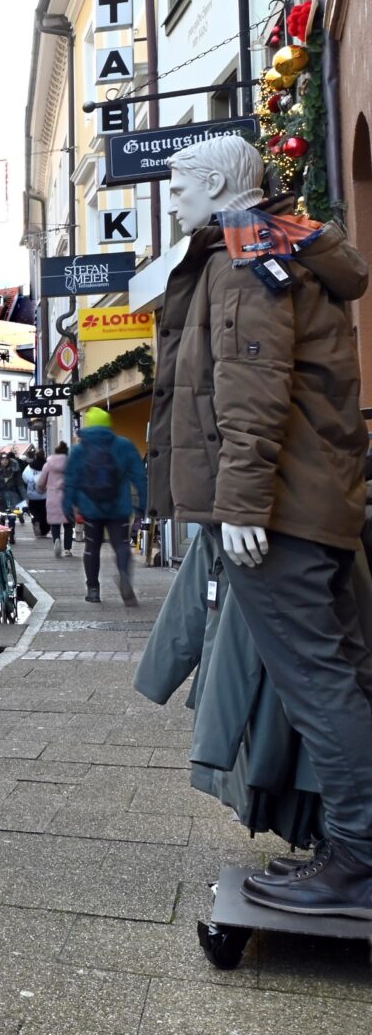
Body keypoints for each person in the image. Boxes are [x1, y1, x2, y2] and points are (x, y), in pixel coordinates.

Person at [148, 133, 372, 917]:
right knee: (341, 674)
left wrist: (242, 506)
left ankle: (359, 858)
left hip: (279, 513)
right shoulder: (283, 246)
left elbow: (248, 390)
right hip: (314, 502)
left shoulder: (245, 258)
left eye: (179, 187)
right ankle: (353, 843)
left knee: (320, 684)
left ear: (215, 185)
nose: (172, 202)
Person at [63, 408, 148, 605]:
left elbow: (70, 481)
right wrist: (143, 503)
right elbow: (139, 477)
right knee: (121, 544)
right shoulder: (124, 445)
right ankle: (125, 576)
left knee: (92, 546)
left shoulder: (79, 450)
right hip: (119, 506)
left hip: (91, 507)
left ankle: (93, 589)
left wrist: (69, 505)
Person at [42, 442, 72, 557]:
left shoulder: (48, 465)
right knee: (68, 524)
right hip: (68, 498)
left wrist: (42, 489)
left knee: (55, 523)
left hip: (53, 497)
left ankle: (56, 541)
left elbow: (41, 482)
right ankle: (68, 548)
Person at [24, 453, 49, 537]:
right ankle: (44, 531)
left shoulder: (29, 467)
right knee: (45, 514)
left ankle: (36, 520)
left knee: (34, 512)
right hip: (45, 495)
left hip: (32, 495)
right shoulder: (47, 466)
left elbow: (24, 478)